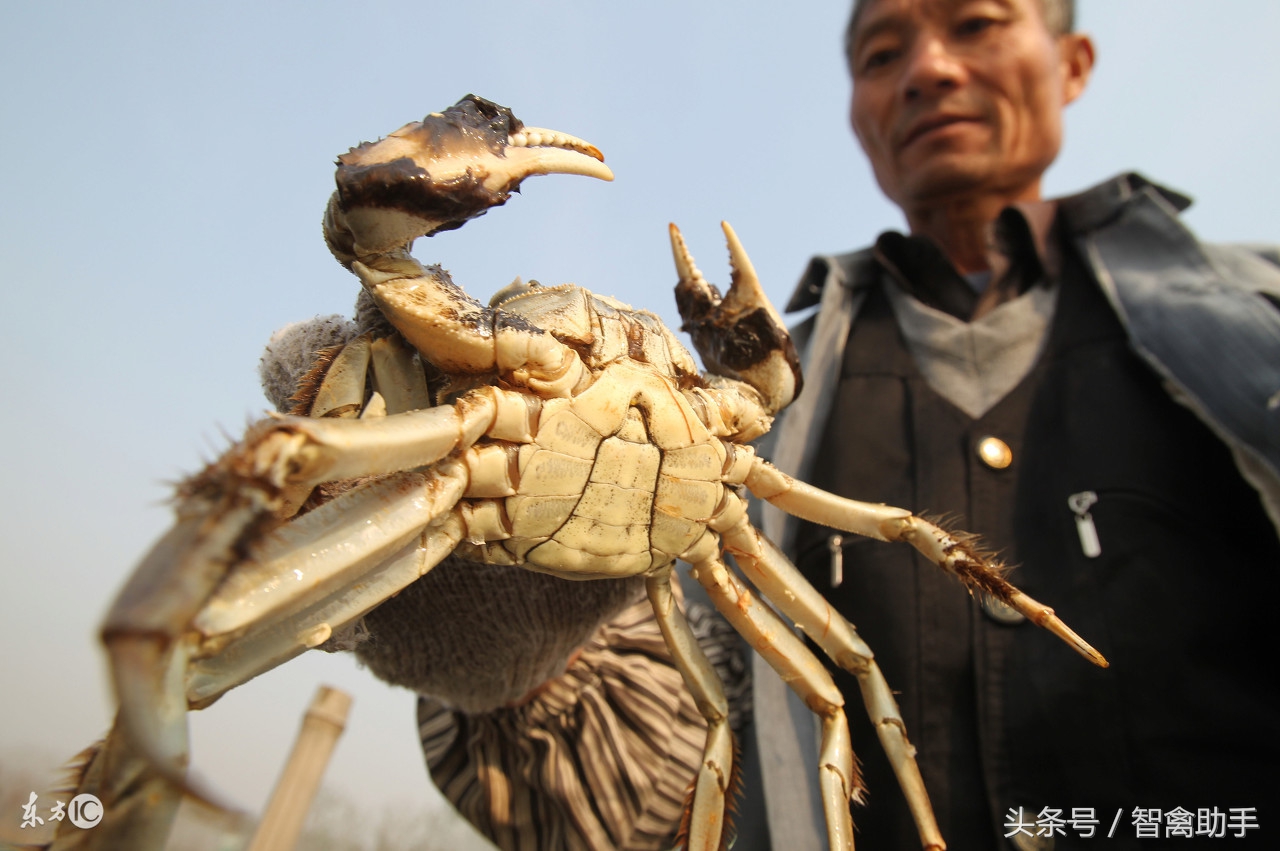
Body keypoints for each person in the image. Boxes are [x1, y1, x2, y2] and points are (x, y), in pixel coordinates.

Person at [750, 0, 1280, 848]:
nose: (928, 69)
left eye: (976, 25)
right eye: (882, 55)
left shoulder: (1264, 311)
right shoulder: (756, 413)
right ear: (858, 112)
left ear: (1071, 64)